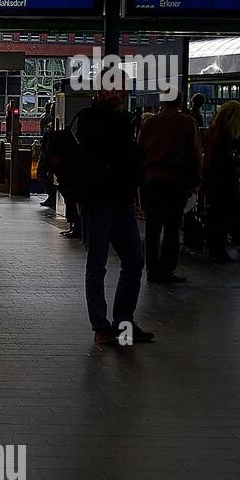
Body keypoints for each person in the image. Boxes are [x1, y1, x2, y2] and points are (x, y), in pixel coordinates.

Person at [74, 81, 153, 346]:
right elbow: (106, 148)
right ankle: (101, 325)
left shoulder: (123, 120)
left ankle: (123, 321)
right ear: (101, 92)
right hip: (98, 200)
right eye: (114, 89)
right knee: (97, 263)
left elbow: (131, 158)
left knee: (134, 260)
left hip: (121, 199)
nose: (119, 94)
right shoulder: (90, 119)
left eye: (122, 90)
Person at [137, 97, 201, 284]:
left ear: (162, 102)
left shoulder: (150, 122)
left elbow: (140, 150)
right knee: (172, 227)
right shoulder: (188, 122)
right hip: (176, 180)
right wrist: (195, 181)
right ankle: (167, 269)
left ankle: (152, 269)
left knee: (152, 228)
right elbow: (195, 154)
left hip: (152, 180)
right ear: (180, 102)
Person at [202, 100, 240, 261]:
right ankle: (218, 249)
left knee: (216, 215)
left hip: (212, 180)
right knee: (222, 216)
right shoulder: (225, 135)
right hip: (223, 182)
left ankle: (214, 247)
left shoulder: (214, 130)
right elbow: (224, 161)